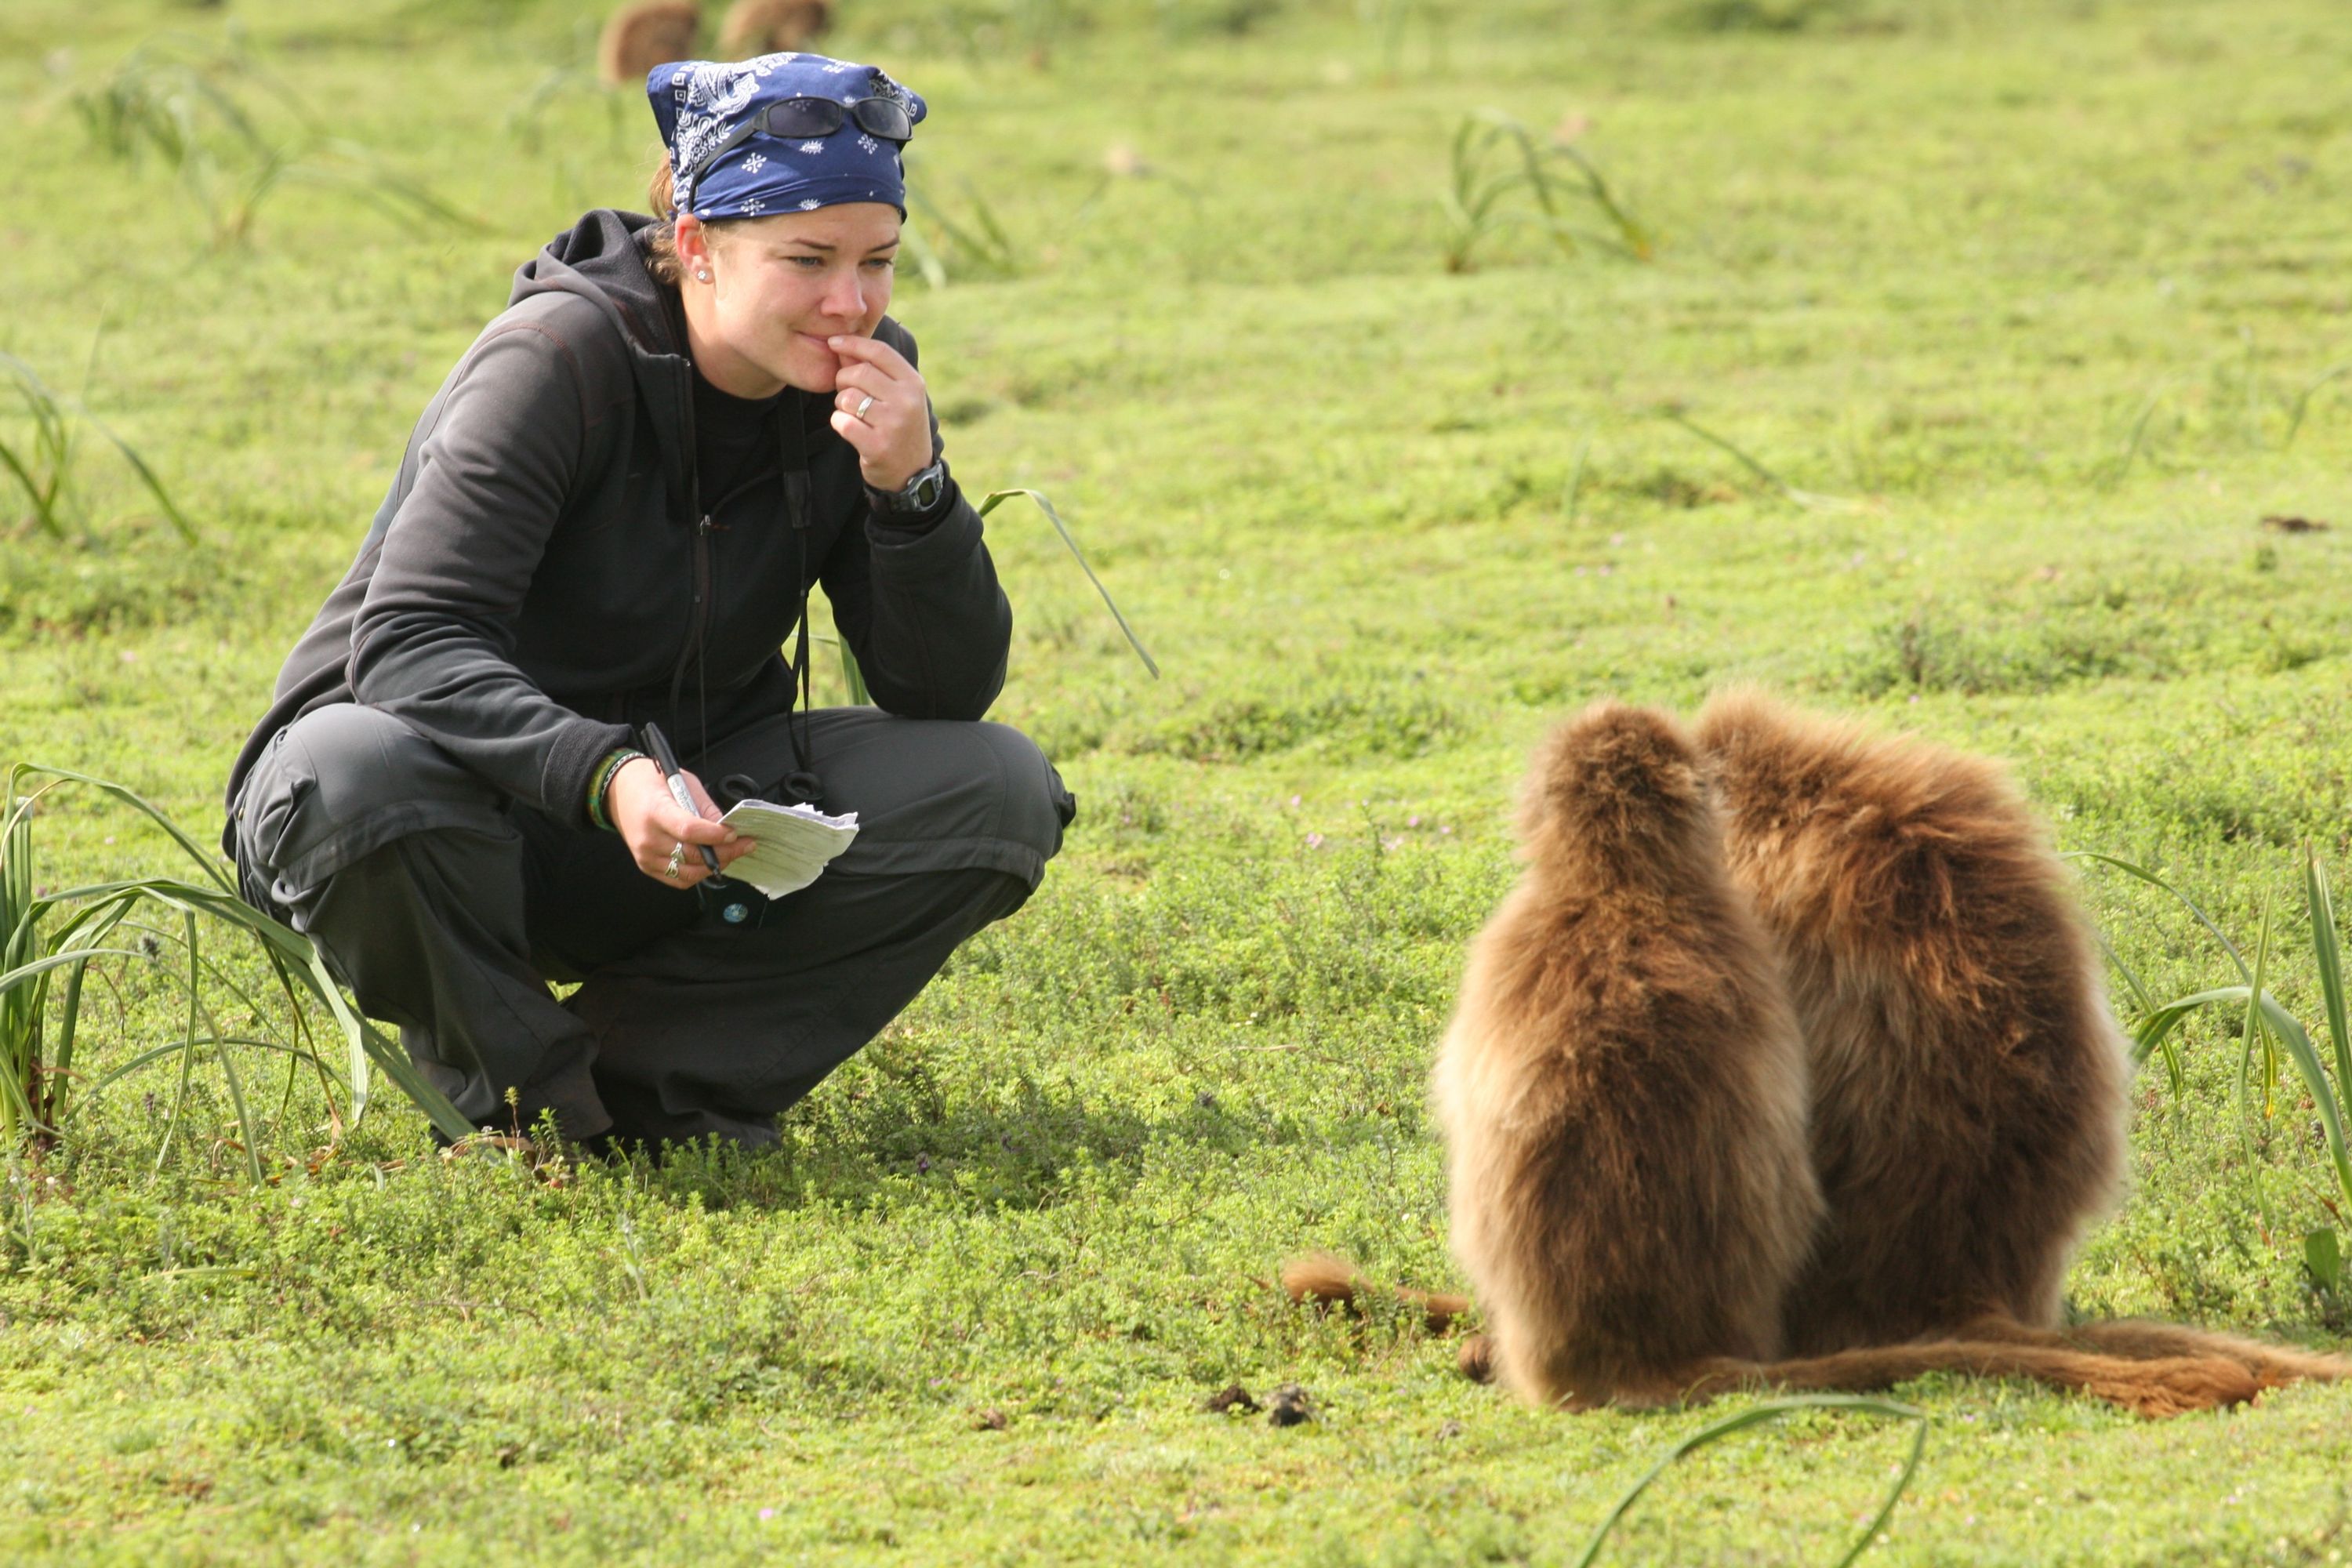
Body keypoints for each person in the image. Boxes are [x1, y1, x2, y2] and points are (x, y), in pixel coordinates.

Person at [220, 53, 1074, 1149]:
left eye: (879, 261)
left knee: (995, 790)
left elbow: (942, 687)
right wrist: (608, 775)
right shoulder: (555, 360)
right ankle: (524, 1112)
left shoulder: (862, 385)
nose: (849, 301)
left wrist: (911, 490)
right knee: (352, 776)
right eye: (806, 259)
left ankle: (650, 1099)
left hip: (689, 814)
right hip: (442, 819)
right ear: (695, 249)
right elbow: (408, 643)